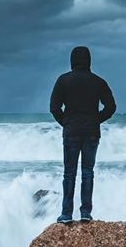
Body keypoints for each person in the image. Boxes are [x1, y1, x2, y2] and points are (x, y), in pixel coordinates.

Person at [50, 45, 116, 224]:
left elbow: (54, 108)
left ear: (72, 60)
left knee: (69, 173)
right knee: (88, 172)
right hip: (91, 132)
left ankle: (66, 214)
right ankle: (85, 212)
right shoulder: (98, 82)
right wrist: (96, 120)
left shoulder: (63, 81)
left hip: (71, 131)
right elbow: (111, 107)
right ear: (89, 60)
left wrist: (66, 122)